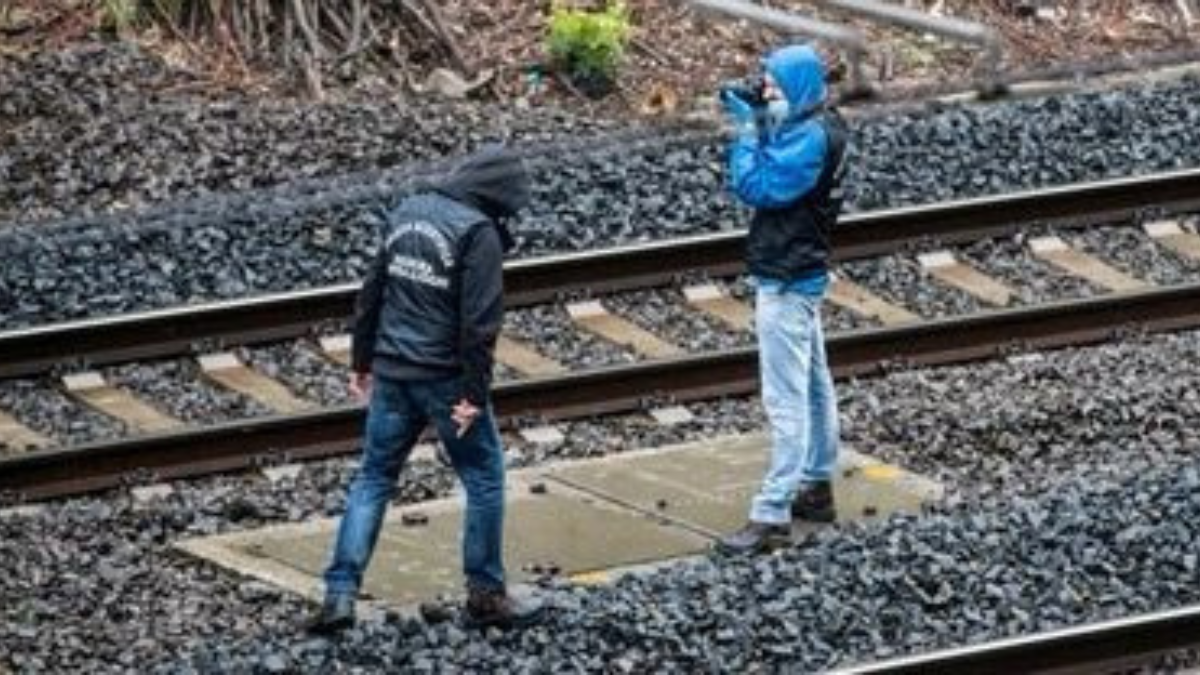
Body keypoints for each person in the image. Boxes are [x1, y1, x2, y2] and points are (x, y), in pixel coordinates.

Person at [306, 146, 544, 633]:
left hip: (393, 373)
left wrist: (362, 360)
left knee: (373, 479)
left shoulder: (409, 211)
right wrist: (474, 396)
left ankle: (339, 596)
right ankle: (485, 595)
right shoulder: (478, 234)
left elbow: (373, 291)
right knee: (484, 479)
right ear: (495, 195)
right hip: (444, 378)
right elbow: (479, 325)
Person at [715, 45, 849, 554]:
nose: (765, 89)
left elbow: (759, 185)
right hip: (804, 273)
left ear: (796, 86)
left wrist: (748, 130)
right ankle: (815, 485)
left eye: (773, 83)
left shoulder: (812, 140)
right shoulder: (823, 124)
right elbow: (783, 150)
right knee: (815, 386)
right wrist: (764, 116)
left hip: (786, 280)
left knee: (785, 400)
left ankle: (770, 513)